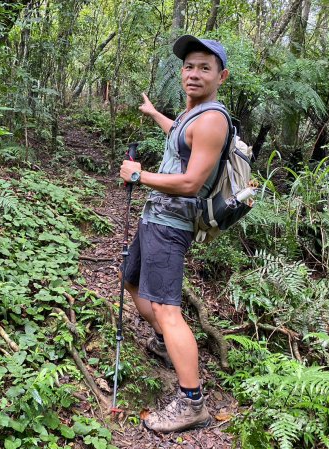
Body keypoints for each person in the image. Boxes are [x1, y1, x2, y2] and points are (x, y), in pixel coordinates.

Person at [118, 35, 230, 433]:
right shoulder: (191, 115)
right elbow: (179, 134)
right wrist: (154, 113)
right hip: (155, 217)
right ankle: (167, 343)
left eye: (204, 67)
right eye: (189, 66)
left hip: (172, 225)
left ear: (221, 75)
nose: (194, 73)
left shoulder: (213, 119)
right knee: (130, 279)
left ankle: (192, 401)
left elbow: (192, 182)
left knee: (168, 309)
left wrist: (140, 175)